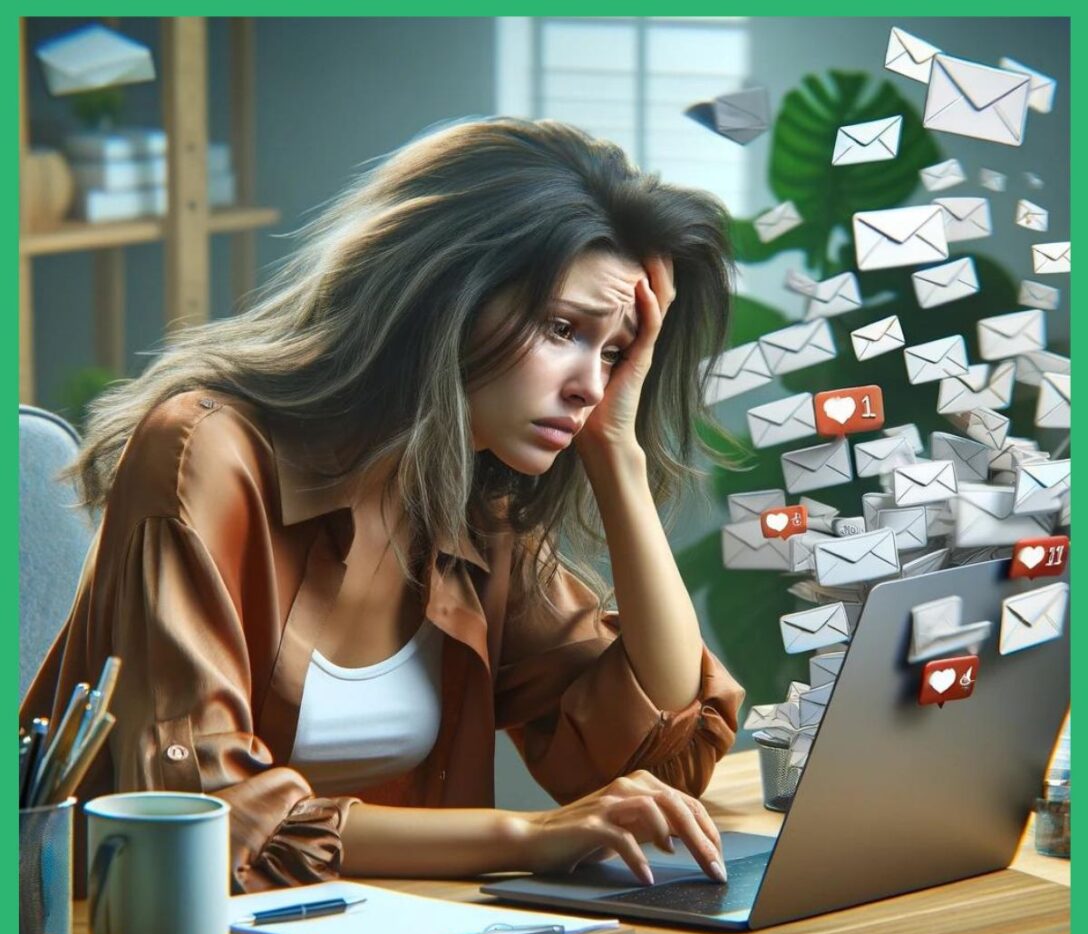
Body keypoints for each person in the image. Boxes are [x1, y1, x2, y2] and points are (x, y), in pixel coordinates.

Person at [21, 116, 745, 894]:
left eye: (612, 352)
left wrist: (618, 459)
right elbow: (205, 815)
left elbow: (652, 756)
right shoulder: (209, 451)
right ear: (444, 298)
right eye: (563, 328)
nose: (590, 386)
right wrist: (526, 835)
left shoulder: (471, 505)